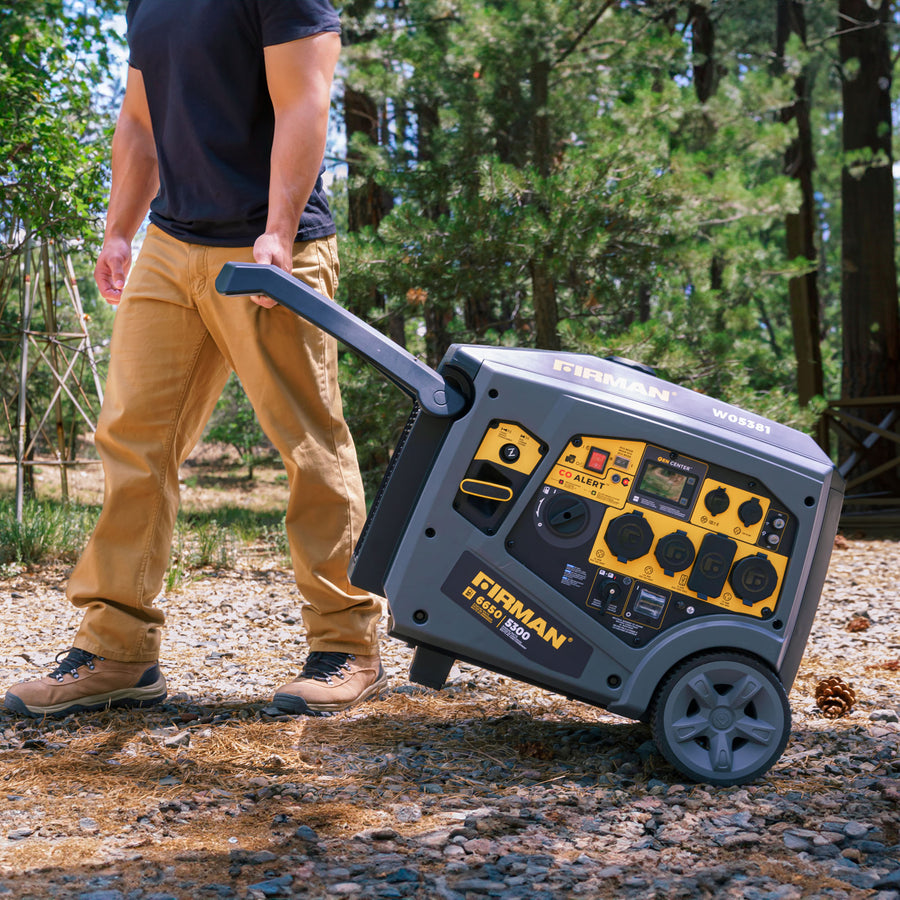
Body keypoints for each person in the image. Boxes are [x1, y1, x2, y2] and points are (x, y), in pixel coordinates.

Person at [4, 0, 386, 718]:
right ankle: (117, 650)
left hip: (271, 248)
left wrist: (277, 232)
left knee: (307, 444)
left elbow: (304, 102)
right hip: (171, 243)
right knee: (132, 441)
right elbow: (143, 121)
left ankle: (348, 643)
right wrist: (119, 229)